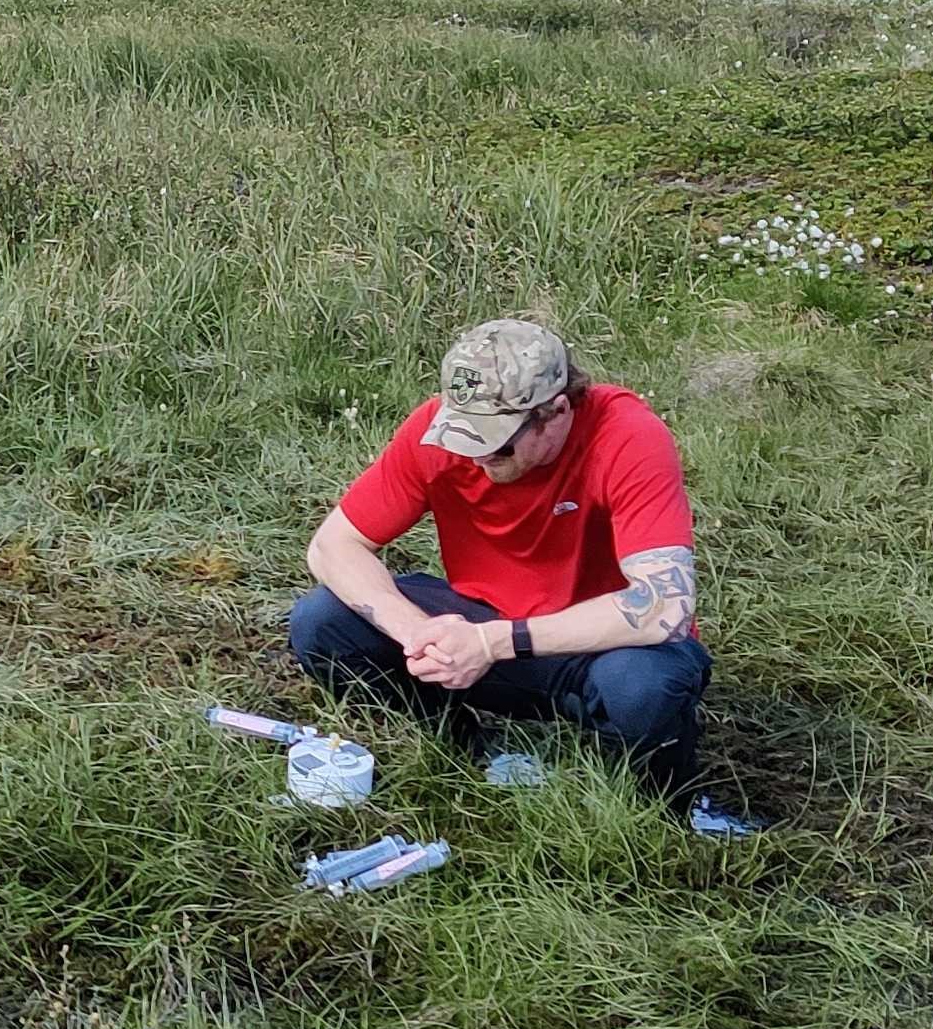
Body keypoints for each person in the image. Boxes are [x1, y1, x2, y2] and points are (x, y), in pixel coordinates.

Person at [289, 319, 721, 811]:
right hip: (486, 621)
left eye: (496, 443)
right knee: (322, 621)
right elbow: (331, 547)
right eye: (463, 437)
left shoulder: (627, 437)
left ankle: (657, 807)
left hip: (597, 650)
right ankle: (457, 747)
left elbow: (664, 606)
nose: (476, 458)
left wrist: (490, 643)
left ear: (556, 412)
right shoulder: (436, 436)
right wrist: (416, 632)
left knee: (643, 686)